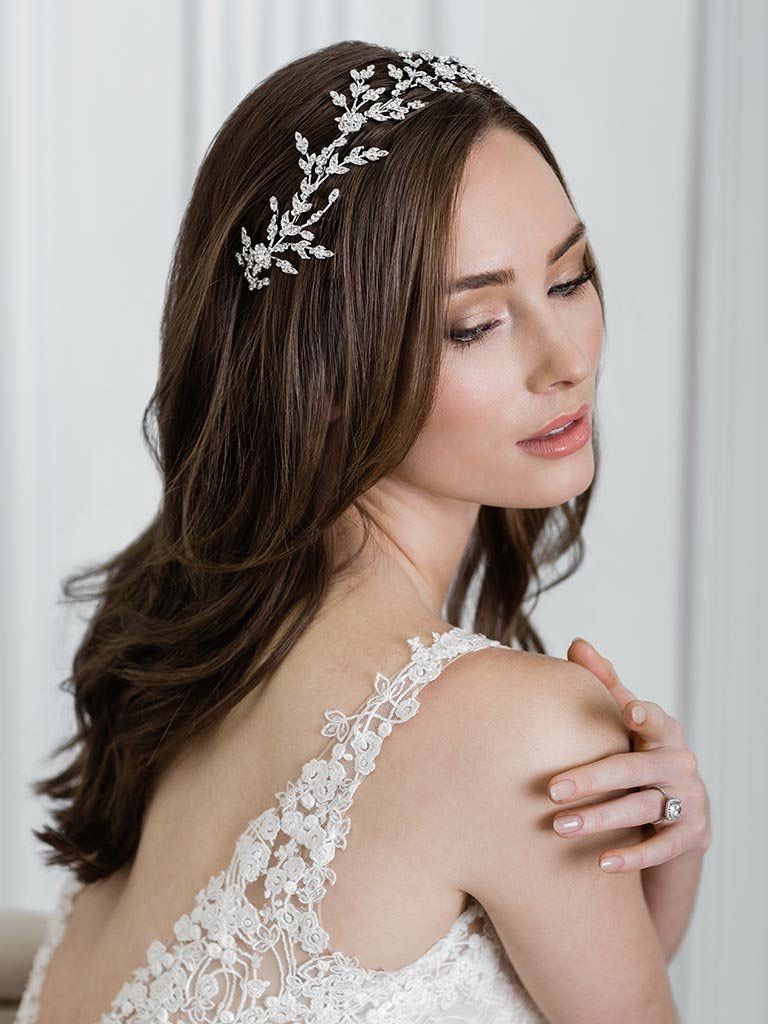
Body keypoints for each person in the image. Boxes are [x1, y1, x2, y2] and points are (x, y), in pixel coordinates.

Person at [15, 39, 707, 1024]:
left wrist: (657, 861)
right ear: (326, 372)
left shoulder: (180, 687)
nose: (565, 358)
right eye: (473, 326)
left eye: (569, 278)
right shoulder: (520, 731)